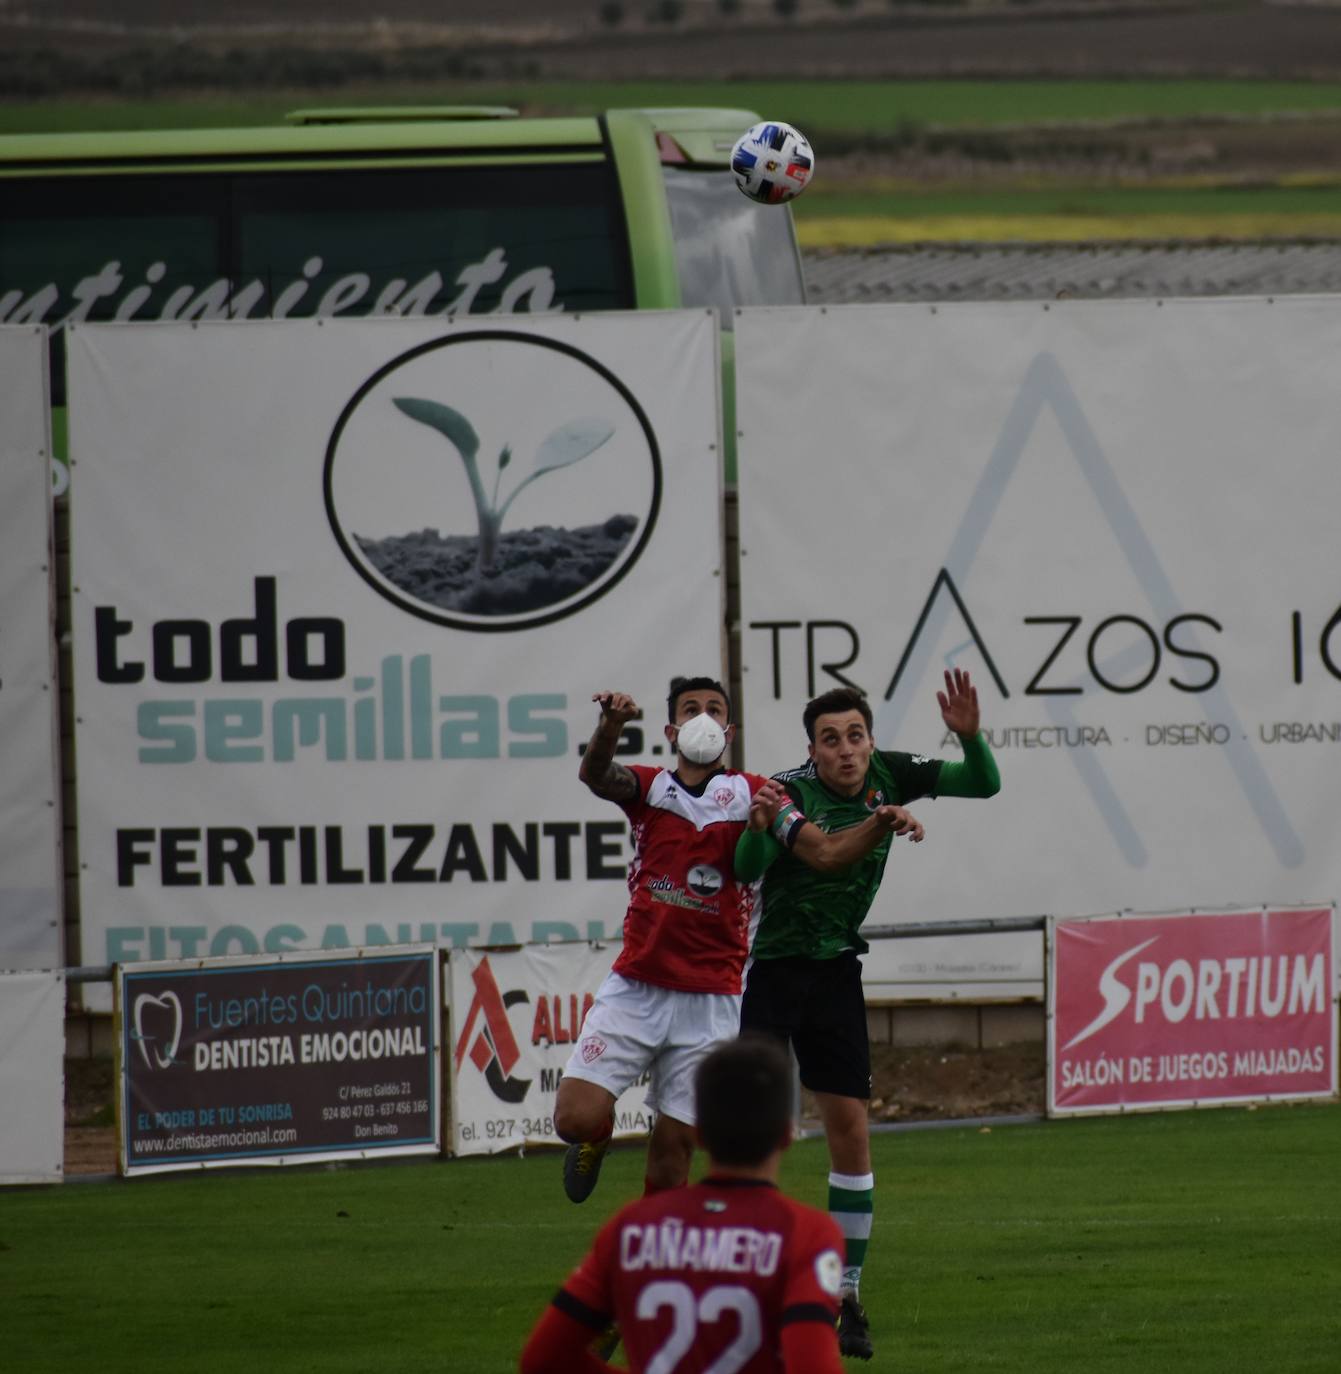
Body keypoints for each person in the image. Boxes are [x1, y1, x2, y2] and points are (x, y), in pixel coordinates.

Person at [554, 676, 925, 1206]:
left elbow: (824, 853)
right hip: (637, 986)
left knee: (675, 1151)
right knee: (574, 1118)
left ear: (728, 730)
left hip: (713, 1000)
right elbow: (595, 773)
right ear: (670, 728)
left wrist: (878, 821)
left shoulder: (761, 793)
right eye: (690, 709)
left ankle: (660, 1266)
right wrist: (611, 724)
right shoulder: (650, 787)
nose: (702, 718)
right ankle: (597, 1134)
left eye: (713, 709)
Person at [735, 668, 1001, 1361]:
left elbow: (984, 786)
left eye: (855, 735)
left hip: (834, 974)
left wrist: (971, 741)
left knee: (851, 1130)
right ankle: (740, 1279)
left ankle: (844, 1294)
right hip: (768, 972)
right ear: (813, 752)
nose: (846, 749)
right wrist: (871, 821)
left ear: (869, 740)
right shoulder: (787, 791)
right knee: (756, 1135)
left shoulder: (890, 771)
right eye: (831, 740)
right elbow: (800, 859)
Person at [521, 1035, 848, 1374]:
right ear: (786, 1134)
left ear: (699, 1133)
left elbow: (542, 1359)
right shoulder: (807, 1235)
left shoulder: (632, 1229)